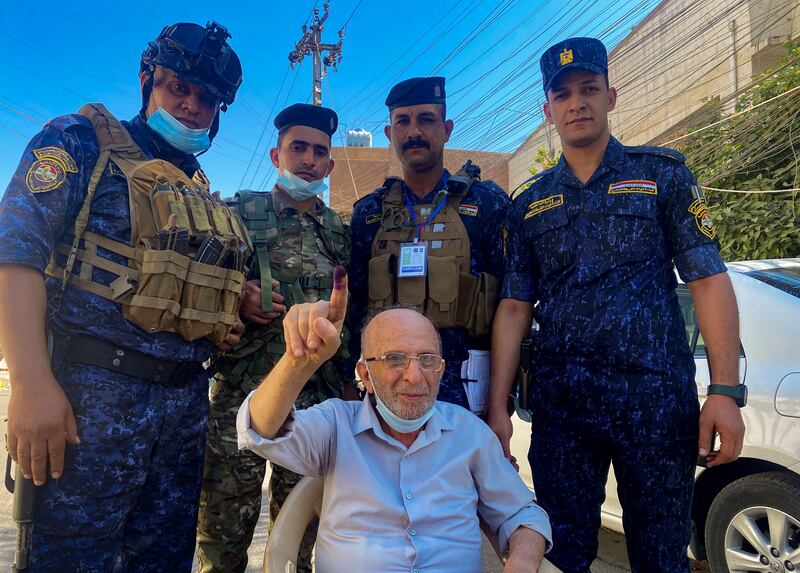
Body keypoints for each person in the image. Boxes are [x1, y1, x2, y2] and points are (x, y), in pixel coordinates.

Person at [486, 37, 746, 573]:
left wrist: (724, 391)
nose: (576, 102)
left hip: (655, 404)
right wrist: (498, 407)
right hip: (564, 410)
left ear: (611, 97)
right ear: (548, 110)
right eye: (563, 95)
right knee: (561, 550)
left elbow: (708, 280)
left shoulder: (663, 177)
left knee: (662, 555)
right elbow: (514, 308)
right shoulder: (529, 205)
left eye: (589, 89)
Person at [0, 22, 250, 571]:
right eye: (176, 87)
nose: (190, 105)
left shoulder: (200, 188)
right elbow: (15, 255)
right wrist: (32, 383)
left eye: (207, 98)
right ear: (146, 81)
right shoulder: (79, 141)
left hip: (182, 413)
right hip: (89, 407)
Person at [238, 268, 552, 572]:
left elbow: (523, 513)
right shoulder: (336, 425)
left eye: (427, 360)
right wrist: (298, 362)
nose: (415, 376)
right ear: (365, 375)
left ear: (441, 370)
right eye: (394, 359)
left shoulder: (469, 433)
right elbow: (260, 428)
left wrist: (521, 563)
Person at [196, 103, 351, 572]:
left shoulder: (340, 232)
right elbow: (192, 289)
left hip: (310, 410)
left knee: (300, 545)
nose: (308, 159)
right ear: (275, 154)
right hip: (238, 403)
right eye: (297, 147)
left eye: (318, 151)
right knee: (220, 542)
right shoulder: (236, 212)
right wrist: (236, 295)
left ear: (329, 163)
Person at [348, 76, 509, 413]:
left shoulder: (488, 204)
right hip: (388, 397)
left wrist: (498, 408)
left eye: (426, 119)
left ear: (446, 129)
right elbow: (354, 311)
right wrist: (350, 395)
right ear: (390, 134)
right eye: (402, 121)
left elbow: (510, 308)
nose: (413, 132)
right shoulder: (369, 214)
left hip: (465, 399)